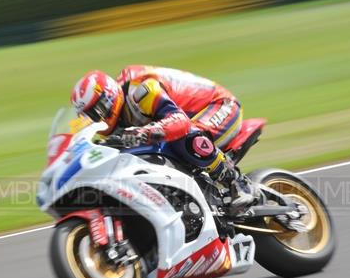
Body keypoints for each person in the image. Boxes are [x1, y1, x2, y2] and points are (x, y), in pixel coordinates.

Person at [70, 65, 258, 207]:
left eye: (98, 111)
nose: (96, 119)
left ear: (110, 97)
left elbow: (179, 122)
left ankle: (237, 184)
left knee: (183, 136)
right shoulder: (111, 123)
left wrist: (145, 133)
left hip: (219, 106)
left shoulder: (141, 90)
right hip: (187, 119)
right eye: (90, 116)